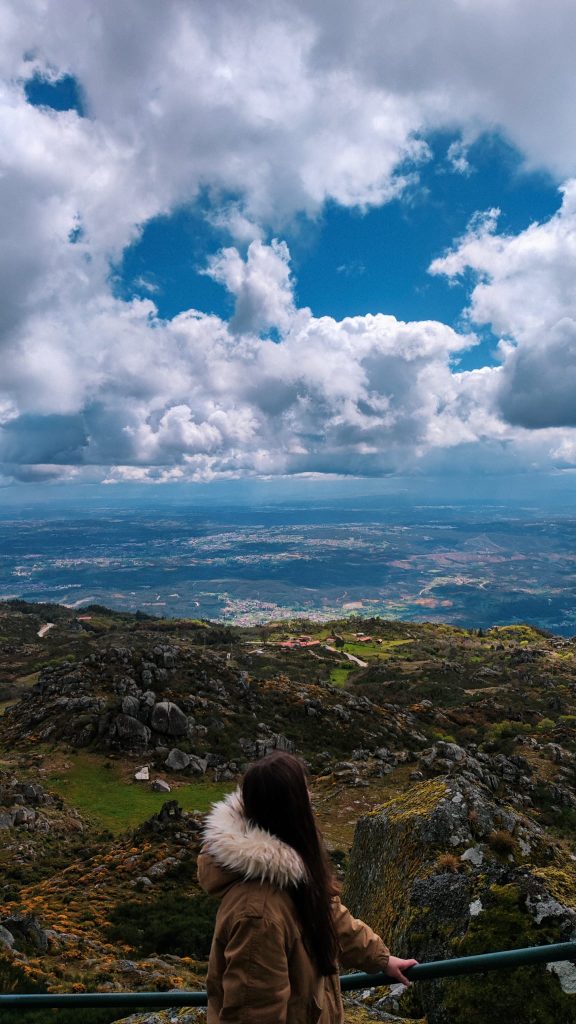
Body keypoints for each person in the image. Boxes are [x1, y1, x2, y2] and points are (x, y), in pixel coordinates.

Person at [197, 751, 417, 1023]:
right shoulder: (259, 914)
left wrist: (382, 960)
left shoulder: (293, 874)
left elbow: (333, 920)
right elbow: (255, 1013)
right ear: (293, 811)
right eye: (306, 796)